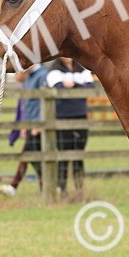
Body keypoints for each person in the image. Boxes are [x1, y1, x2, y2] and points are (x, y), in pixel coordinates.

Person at [0, 62, 47, 196]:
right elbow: (27, 103)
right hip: (31, 124)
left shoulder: (42, 76)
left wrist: (40, 124)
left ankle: (14, 187)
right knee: (34, 157)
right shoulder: (29, 77)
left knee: (30, 156)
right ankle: (47, 186)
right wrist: (24, 125)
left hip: (38, 125)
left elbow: (45, 102)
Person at [47, 57, 94, 193]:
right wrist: (79, 85)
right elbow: (58, 88)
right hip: (62, 117)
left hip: (81, 116)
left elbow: (90, 88)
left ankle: (79, 189)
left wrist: (73, 85)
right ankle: (61, 188)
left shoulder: (82, 68)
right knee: (63, 155)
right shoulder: (54, 70)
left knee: (78, 155)